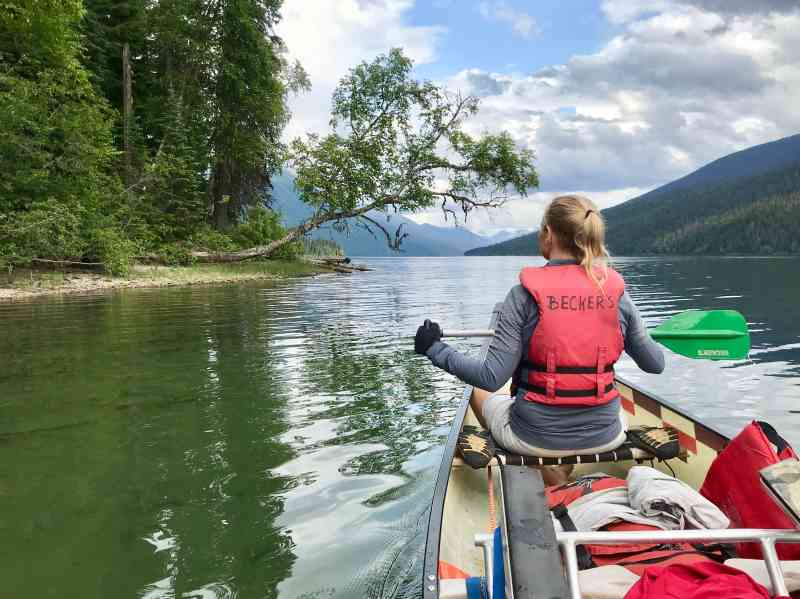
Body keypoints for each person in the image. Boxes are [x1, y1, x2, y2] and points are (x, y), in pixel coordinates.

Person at [414, 195, 665, 467]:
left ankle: (550, 477)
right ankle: (563, 473)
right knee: (613, 409)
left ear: (548, 234)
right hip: (607, 436)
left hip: (532, 438)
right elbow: (655, 364)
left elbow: (489, 377)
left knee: (480, 390)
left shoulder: (522, 296)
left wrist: (434, 348)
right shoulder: (617, 294)